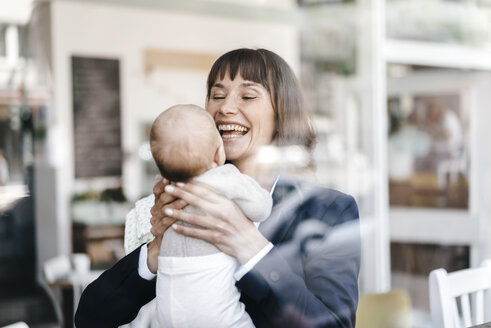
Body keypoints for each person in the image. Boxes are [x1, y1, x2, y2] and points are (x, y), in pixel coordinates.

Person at [75, 48, 361, 328]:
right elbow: (91, 317)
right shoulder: (173, 204)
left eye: (248, 96)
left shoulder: (328, 210)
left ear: (282, 114)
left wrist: (251, 247)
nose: (225, 108)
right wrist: (159, 248)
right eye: (217, 95)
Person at [147, 104, 272, 327]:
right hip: (215, 309)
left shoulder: (166, 191)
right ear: (218, 154)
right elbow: (261, 209)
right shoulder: (225, 178)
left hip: (168, 312)